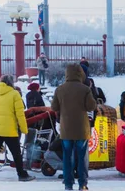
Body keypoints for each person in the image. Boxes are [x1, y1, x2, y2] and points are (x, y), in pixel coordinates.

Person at [51, 63, 97, 191]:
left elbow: (54, 107)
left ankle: (68, 184)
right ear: (80, 74)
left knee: (67, 156)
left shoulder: (60, 89)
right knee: (82, 157)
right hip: (82, 129)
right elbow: (91, 106)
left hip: (66, 129)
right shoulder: (85, 89)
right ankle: (82, 184)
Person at [0, 74, 35, 182]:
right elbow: (20, 114)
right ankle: (22, 175)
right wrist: (24, 129)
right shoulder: (15, 94)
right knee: (16, 154)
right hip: (10, 130)